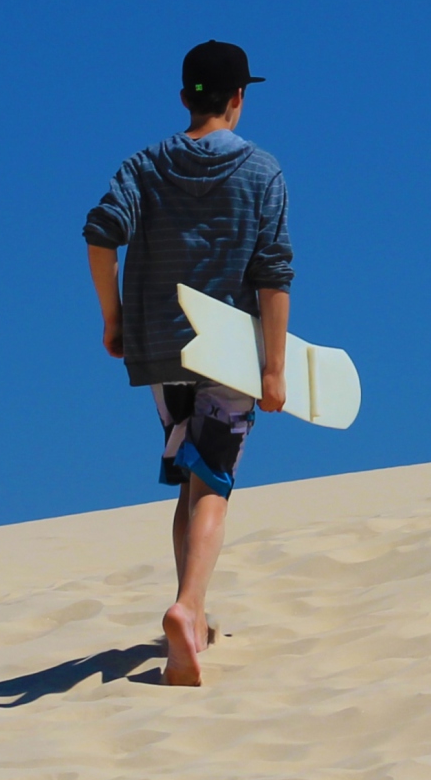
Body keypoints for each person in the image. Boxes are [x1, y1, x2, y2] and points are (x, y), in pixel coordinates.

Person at [83, 40, 292, 687]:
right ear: (238, 98)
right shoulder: (263, 172)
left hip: (163, 348)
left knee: (188, 474)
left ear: (184, 99)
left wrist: (113, 317)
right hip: (227, 353)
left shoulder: (144, 165)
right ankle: (188, 606)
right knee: (215, 488)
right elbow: (272, 274)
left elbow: (99, 231)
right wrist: (274, 369)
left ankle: (190, 624)